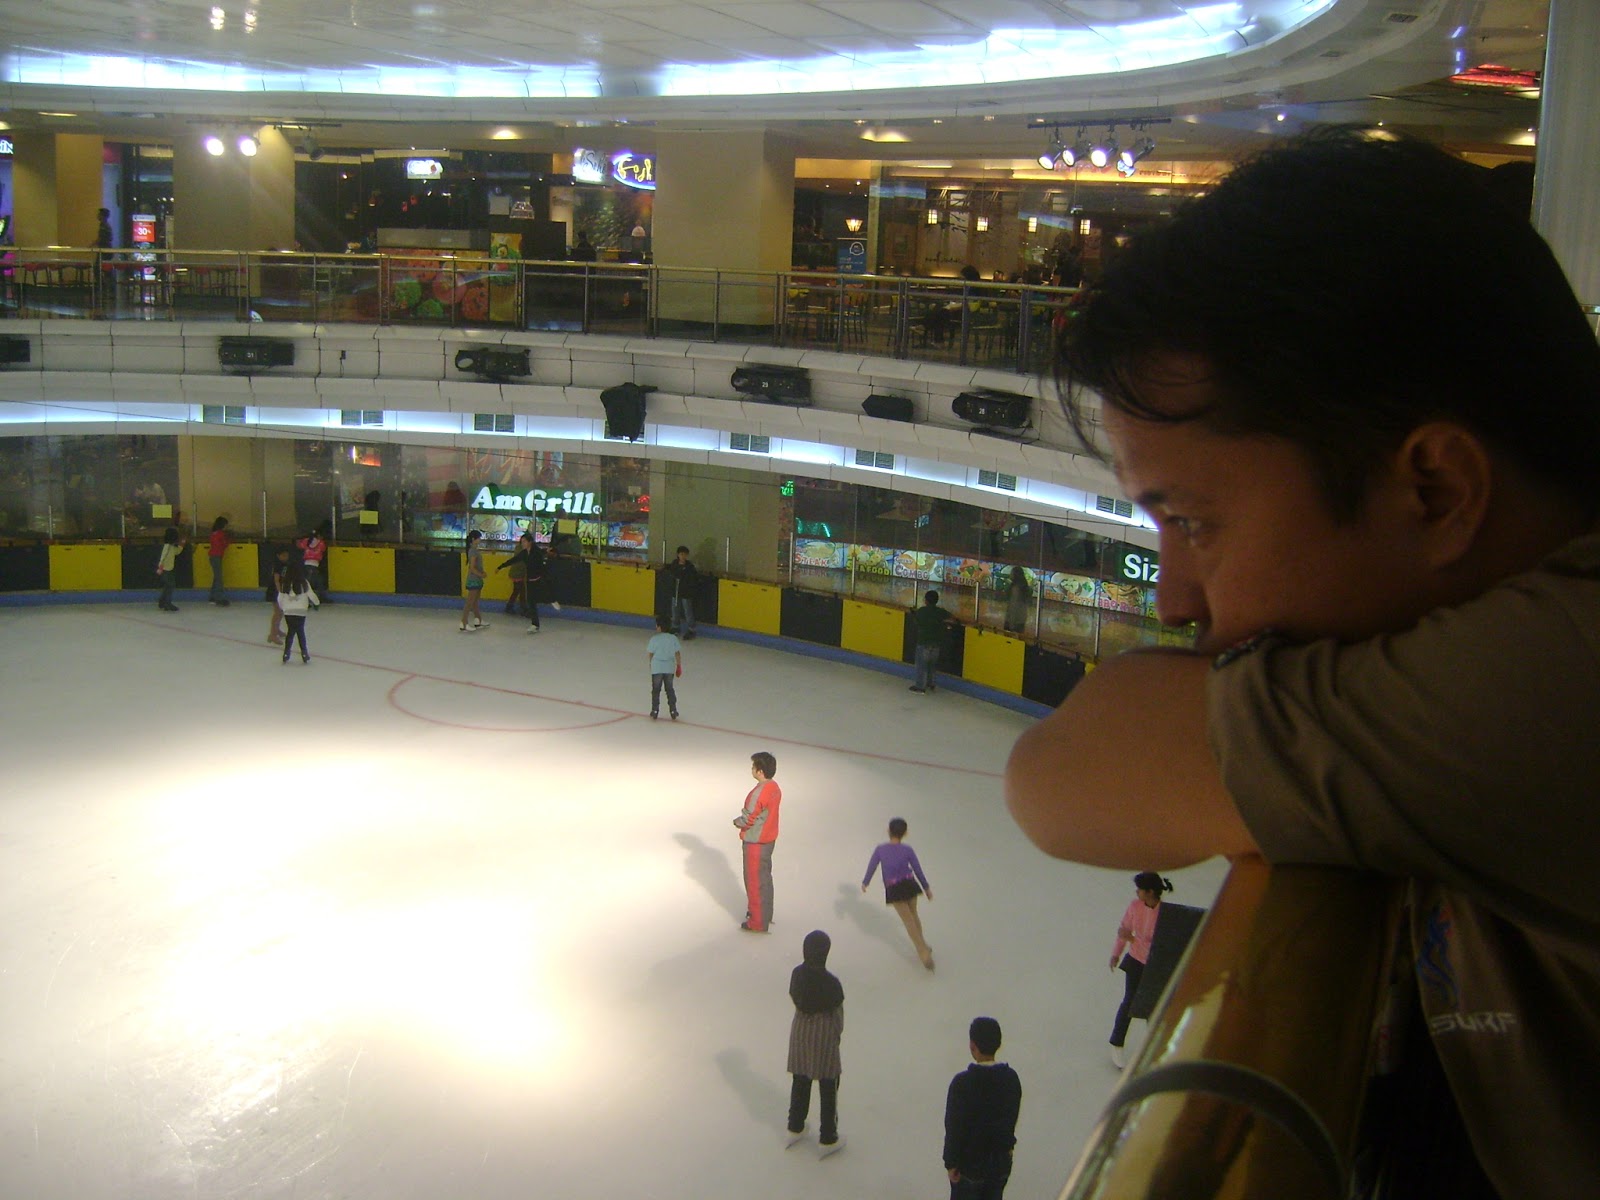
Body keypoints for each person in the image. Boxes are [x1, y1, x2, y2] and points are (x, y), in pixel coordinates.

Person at [1005, 128, 1600, 1197]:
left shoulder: (1562, 683)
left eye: (1192, 521)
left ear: (1434, 491)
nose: (1174, 597)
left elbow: (1066, 771)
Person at [943, 1016, 1022, 1200]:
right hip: (999, 1162)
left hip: (970, 1165)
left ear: (972, 1045)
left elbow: (954, 1126)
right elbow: (1011, 1116)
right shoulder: (1010, 1079)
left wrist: (951, 1162)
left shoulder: (962, 1084)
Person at [785, 929, 845, 1158]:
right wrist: (836, 1035)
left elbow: (794, 995)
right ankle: (828, 1137)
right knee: (828, 1085)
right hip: (823, 1034)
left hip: (800, 1030)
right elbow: (838, 1015)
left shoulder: (796, 975)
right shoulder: (831, 983)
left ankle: (795, 1126)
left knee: (800, 1079)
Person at [1106, 872, 1172, 1068]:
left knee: (1153, 1007)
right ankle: (1117, 1044)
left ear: (1150, 892)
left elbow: (1158, 946)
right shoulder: (1135, 906)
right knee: (1129, 1002)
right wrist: (1116, 954)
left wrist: (1133, 939)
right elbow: (1123, 929)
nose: (1137, 892)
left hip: (1154, 966)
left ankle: (1156, 1049)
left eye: (1140, 889)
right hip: (1135, 961)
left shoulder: (1165, 914)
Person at [861, 817, 935, 970]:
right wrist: (926, 888)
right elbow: (917, 869)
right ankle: (923, 945)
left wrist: (866, 882)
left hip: (894, 888)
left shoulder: (880, 849)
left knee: (909, 920)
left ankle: (922, 951)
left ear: (888, 831)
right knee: (914, 915)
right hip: (909, 884)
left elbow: (872, 866)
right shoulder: (908, 850)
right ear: (905, 833)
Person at [732, 751, 781, 933]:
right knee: (765, 878)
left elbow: (749, 817)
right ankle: (766, 913)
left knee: (754, 882)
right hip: (769, 839)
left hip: (756, 842)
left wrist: (738, 822)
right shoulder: (775, 788)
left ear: (760, 771)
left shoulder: (758, 793)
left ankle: (757, 922)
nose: (751, 770)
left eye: (753, 767)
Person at [910, 590, 960, 694]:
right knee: (932, 666)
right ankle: (931, 684)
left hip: (924, 643)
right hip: (936, 644)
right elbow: (954, 618)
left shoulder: (922, 611)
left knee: (921, 666)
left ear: (926, 600)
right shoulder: (940, 612)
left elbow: (916, 621)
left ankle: (920, 687)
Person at [275, 560, 318, 664]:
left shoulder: (285, 583)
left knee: (291, 631)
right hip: (301, 611)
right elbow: (311, 594)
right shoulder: (304, 582)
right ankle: (304, 653)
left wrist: (283, 607)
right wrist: (317, 603)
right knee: (300, 631)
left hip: (289, 611)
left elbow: (280, 597)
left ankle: (286, 653)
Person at [645, 614, 682, 720]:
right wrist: (679, 666)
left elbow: (651, 654)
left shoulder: (654, 639)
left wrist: (651, 664)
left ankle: (655, 710)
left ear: (660, 627)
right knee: (669, 689)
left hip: (657, 668)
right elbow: (677, 653)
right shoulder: (673, 638)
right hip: (669, 668)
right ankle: (673, 710)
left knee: (656, 690)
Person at [662, 544, 699, 640]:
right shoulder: (674, 564)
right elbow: (672, 573)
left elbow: (692, 578)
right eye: (681, 554)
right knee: (675, 610)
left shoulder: (689, 566)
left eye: (685, 554)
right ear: (678, 555)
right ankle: (675, 627)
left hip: (686, 593)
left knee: (688, 611)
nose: (683, 556)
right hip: (676, 592)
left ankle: (691, 629)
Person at [496, 531, 532, 616]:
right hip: (517, 573)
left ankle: (515, 607)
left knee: (518, 590)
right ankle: (521, 608)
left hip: (518, 573)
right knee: (520, 591)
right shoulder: (523, 550)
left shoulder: (520, 548)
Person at [459, 529, 486, 631]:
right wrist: (481, 574)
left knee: (474, 601)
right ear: (474, 539)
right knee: (470, 602)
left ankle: (477, 619)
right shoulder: (473, 551)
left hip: (476, 579)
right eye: (479, 538)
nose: (480, 540)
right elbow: (472, 568)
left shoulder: (473, 550)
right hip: (474, 579)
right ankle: (464, 622)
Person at [265, 544, 291, 645]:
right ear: (278, 556)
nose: (286, 557)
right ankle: (272, 634)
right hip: (275, 590)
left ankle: (277, 630)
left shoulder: (284, 564)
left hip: (279, 589)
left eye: (286, 555)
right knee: (278, 612)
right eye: (283, 555)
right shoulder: (278, 565)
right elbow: (276, 580)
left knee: (280, 612)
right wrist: (280, 593)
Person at [154, 526, 184, 612]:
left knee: (168, 586)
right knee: (171, 585)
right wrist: (160, 567)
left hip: (169, 569)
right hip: (165, 569)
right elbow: (163, 557)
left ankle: (163, 602)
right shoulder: (167, 546)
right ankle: (167, 603)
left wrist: (181, 545)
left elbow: (177, 552)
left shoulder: (171, 546)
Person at [296, 528, 327, 606]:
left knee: (310, 582)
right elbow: (323, 549)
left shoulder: (306, 541)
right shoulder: (321, 543)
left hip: (306, 564)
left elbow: (299, 545)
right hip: (314, 564)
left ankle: (311, 599)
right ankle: (309, 599)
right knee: (312, 583)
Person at [207, 515, 232, 605]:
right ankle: (219, 598)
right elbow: (224, 545)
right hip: (216, 556)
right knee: (219, 578)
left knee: (217, 577)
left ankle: (212, 596)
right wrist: (228, 540)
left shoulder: (214, 533)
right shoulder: (221, 534)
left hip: (213, 556)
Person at [1002, 566, 1030, 636]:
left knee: (1008, 640)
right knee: (1020, 639)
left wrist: (1011, 623)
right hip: (1021, 619)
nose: (1010, 575)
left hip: (1014, 620)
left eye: (1011, 573)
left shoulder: (1016, 588)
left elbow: (1014, 606)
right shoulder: (1023, 586)